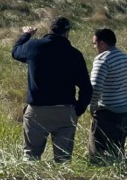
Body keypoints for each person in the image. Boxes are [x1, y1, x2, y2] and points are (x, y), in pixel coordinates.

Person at [12, 16, 92, 162]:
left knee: (30, 157)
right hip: (65, 111)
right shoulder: (75, 54)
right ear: (67, 32)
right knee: (63, 160)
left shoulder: (33, 47)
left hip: (37, 111)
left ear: (50, 29)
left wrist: (27, 34)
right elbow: (86, 88)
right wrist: (77, 110)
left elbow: (15, 51)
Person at [88, 28, 127, 161]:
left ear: (102, 43)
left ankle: (98, 172)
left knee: (98, 150)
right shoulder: (124, 57)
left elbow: (96, 86)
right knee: (117, 149)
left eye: (95, 43)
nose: (94, 47)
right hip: (123, 110)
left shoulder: (102, 59)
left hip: (106, 111)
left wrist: (92, 106)